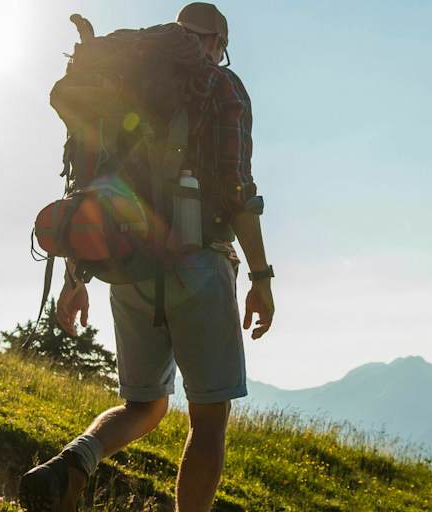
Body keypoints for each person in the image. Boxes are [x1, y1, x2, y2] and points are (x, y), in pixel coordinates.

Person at [19, 3, 275, 511]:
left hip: (129, 267)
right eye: (221, 47)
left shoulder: (125, 85)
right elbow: (236, 189)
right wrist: (261, 276)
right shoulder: (222, 87)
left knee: (144, 404)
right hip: (198, 265)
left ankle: (70, 465)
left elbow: (91, 184)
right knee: (207, 421)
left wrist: (77, 277)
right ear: (216, 43)